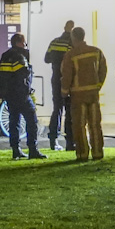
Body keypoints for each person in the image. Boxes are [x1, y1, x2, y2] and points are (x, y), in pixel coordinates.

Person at [59, 25, 107, 161]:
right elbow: (103, 70)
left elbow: (66, 75)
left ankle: (82, 154)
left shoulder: (70, 55)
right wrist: (98, 85)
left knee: (79, 126)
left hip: (77, 95)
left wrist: (64, 91)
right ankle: (98, 152)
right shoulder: (96, 52)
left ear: (73, 38)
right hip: (93, 94)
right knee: (95, 124)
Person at [0, 32, 45, 159]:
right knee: (32, 120)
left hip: (9, 95)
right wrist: (26, 91)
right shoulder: (20, 57)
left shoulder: (5, 56)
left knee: (14, 121)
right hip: (21, 95)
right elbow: (24, 76)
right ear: (19, 43)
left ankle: (15, 149)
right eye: (24, 42)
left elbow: (1, 76)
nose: (25, 45)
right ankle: (33, 149)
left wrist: (3, 94)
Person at [43, 19, 75, 152]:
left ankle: (53, 139)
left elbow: (47, 59)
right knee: (69, 110)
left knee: (57, 109)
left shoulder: (54, 42)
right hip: (69, 79)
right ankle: (70, 142)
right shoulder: (72, 43)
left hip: (55, 78)